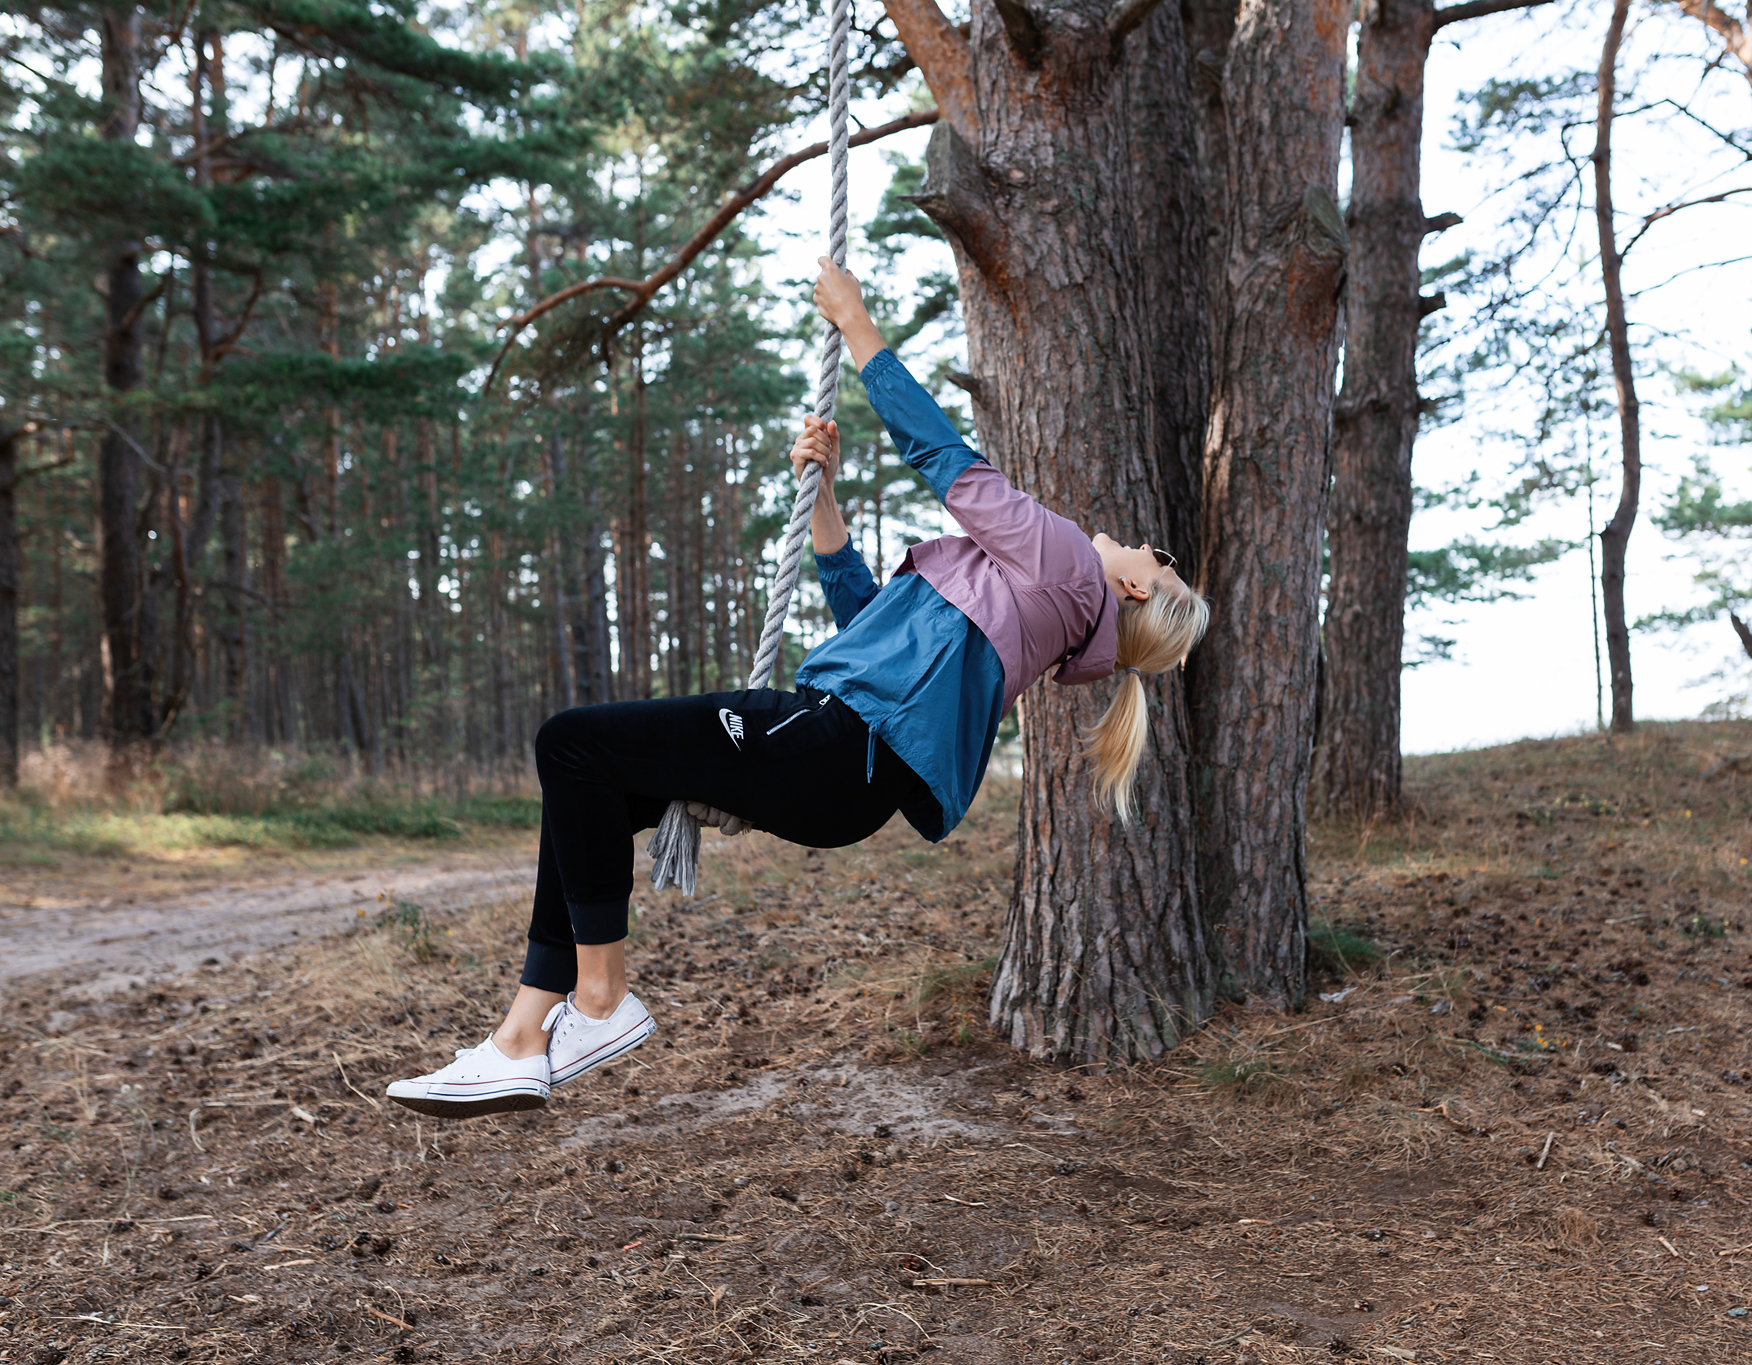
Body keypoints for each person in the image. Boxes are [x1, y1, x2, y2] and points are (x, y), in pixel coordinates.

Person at [385, 261, 1210, 1118]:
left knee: (572, 742)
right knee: (587, 788)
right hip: (842, 770)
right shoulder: (1043, 609)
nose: (1149, 546)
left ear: (1137, 588)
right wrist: (825, 499)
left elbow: (945, 458)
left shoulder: (1068, 563)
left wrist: (857, 324)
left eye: (1161, 560)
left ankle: (599, 1000)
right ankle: (522, 1036)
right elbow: (866, 625)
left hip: (828, 742)